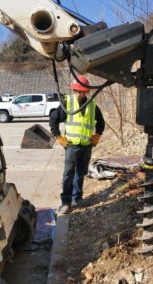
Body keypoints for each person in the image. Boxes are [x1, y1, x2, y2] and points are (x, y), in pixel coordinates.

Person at [49, 75, 105, 214]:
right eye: (79, 91)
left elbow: (101, 122)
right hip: (72, 146)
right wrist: (59, 137)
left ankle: (77, 198)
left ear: (87, 91)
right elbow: (53, 120)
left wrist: (97, 136)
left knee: (80, 173)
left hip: (86, 146)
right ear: (75, 90)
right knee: (68, 174)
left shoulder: (92, 105)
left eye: (84, 91)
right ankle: (66, 202)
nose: (81, 94)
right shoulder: (67, 103)